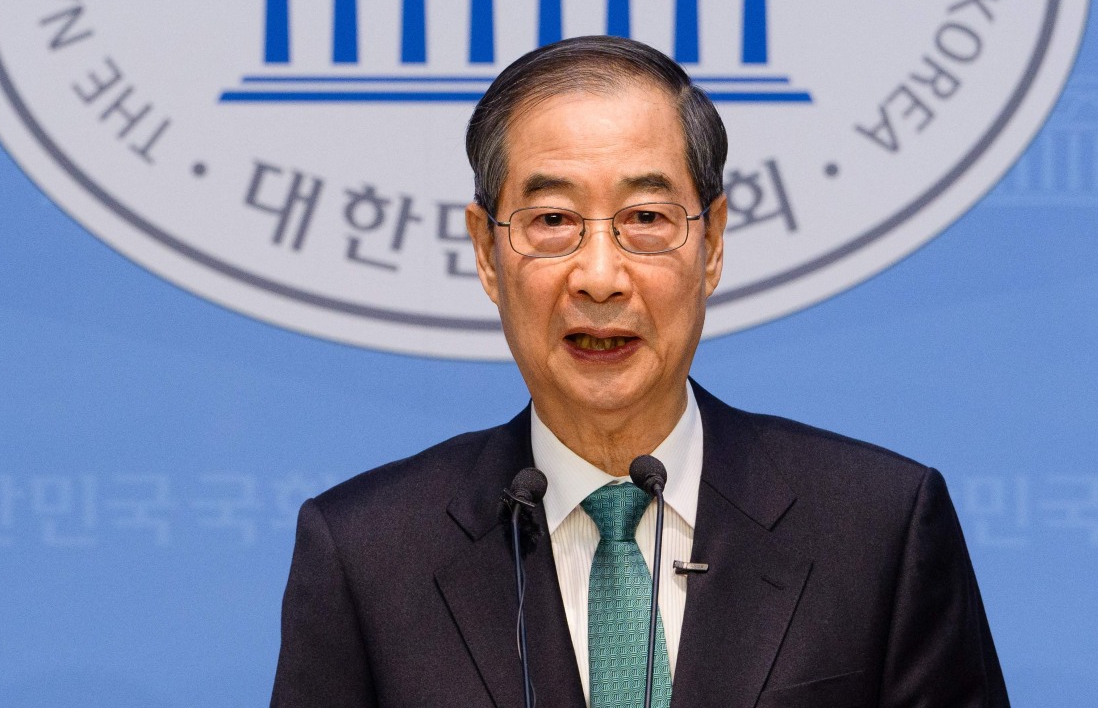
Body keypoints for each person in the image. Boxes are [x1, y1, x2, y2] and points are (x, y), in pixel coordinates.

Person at [270, 36, 1010, 708]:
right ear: (486, 252)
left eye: (647, 219)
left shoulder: (877, 527)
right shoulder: (368, 554)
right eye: (552, 221)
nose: (599, 277)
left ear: (712, 242)